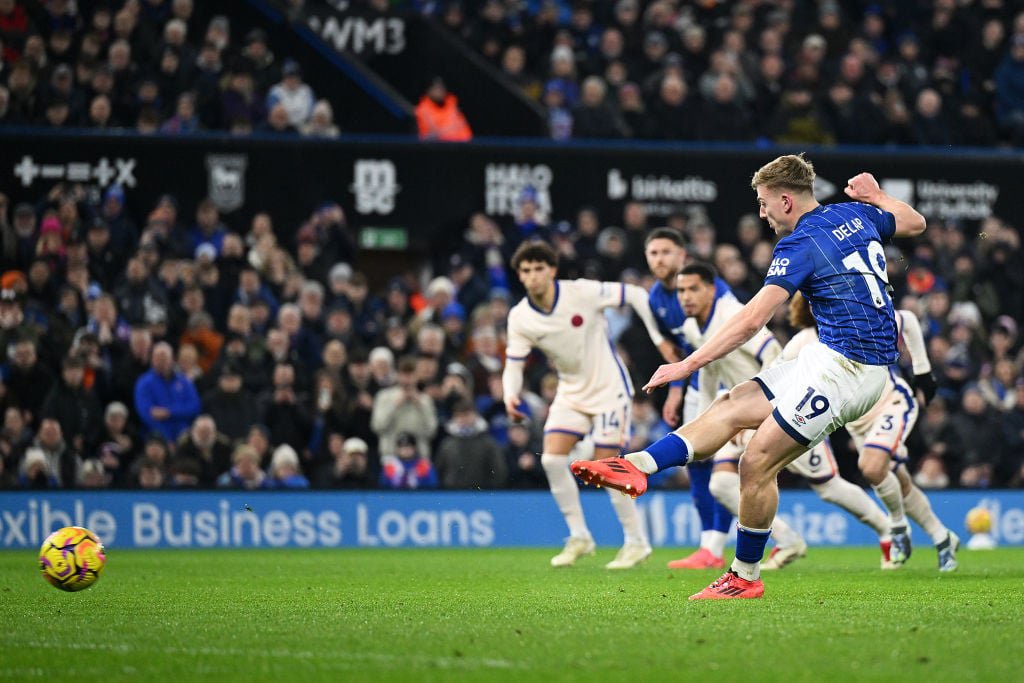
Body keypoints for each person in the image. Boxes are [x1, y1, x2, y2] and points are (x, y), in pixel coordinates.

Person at [573, 154, 927, 599]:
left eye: (762, 203)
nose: (761, 213)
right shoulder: (852, 214)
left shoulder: (799, 245)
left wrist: (687, 364)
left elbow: (751, 321)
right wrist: (876, 196)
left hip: (852, 371)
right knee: (733, 403)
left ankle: (744, 576)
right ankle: (637, 466)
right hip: (831, 356)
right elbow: (915, 223)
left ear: (784, 200)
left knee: (756, 462)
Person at [502, 240, 676, 569]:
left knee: (605, 465)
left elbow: (636, 294)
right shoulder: (520, 317)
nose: (533, 276)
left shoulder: (581, 292)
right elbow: (513, 364)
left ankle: (636, 542)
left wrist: (658, 338)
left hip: (610, 387)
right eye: (526, 271)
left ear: (552, 270)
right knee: (553, 459)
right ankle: (579, 536)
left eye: (540, 268)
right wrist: (510, 394)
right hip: (571, 390)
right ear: (520, 276)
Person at [779, 293, 959, 571]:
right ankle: (942, 537)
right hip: (857, 423)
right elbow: (775, 375)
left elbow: (907, 320)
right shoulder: (803, 343)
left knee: (872, 467)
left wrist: (923, 371)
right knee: (898, 480)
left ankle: (898, 529)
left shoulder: (860, 319)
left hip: (891, 403)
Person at [670, 263, 814, 567]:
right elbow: (709, 372)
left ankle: (891, 529)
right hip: (739, 415)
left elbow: (773, 351)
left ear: (711, 289)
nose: (685, 297)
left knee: (829, 486)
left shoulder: (732, 314)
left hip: (773, 407)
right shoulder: (694, 326)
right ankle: (788, 540)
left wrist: (762, 403)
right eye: (680, 290)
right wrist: (704, 423)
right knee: (721, 484)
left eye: (693, 289)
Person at [643, 227, 736, 569]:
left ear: (683, 256)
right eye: (653, 253)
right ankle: (709, 546)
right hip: (698, 381)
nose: (659, 259)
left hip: (730, 380)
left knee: (726, 462)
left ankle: (775, 536)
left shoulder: (712, 291)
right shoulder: (656, 297)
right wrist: (676, 395)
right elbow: (685, 349)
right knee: (696, 457)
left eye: (666, 252)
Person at [134, 342, 201, 443]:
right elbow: (146, 413)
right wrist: (165, 439)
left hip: (184, 436)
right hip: (155, 439)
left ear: (172, 360)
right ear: (152, 360)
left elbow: (194, 406)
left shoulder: (184, 381)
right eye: (158, 359)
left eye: (164, 359)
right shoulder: (144, 383)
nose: (161, 362)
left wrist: (169, 412)